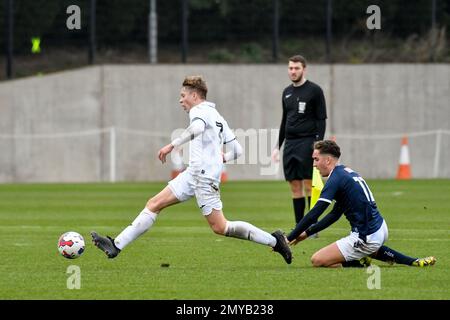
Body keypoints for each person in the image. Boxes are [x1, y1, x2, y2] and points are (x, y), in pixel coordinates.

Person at [91, 75, 292, 264]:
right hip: (193, 174)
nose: (181, 100)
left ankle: (275, 241)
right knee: (154, 204)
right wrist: (224, 157)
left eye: (183, 95)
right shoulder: (217, 115)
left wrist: (171, 145)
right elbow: (237, 150)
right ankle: (116, 244)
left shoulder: (199, 111)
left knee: (221, 227)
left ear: (194, 96)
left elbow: (197, 129)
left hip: (203, 178)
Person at [286, 140, 436, 268]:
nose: (314, 165)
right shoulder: (345, 172)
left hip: (366, 235)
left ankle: (358, 261)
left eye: (316, 159)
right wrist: (305, 234)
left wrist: (289, 237)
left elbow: (315, 214)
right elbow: (334, 215)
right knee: (369, 247)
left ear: (327, 160)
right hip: (380, 228)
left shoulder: (335, 179)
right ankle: (414, 262)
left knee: (317, 260)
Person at [272, 55, 327, 226]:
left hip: (307, 142)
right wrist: (277, 147)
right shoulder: (286, 92)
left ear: (304, 69)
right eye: (290, 68)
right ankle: (299, 226)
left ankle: (311, 225)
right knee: (294, 187)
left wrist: (318, 146)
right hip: (290, 144)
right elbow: (284, 120)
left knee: (309, 185)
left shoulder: (314, 90)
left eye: (296, 68)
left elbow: (321, 120)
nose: (293, 71)